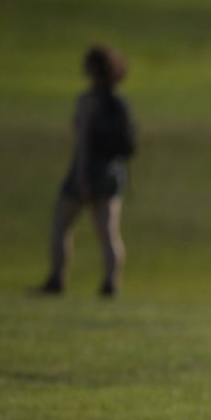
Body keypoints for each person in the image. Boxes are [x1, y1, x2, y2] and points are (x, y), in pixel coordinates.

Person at [41, 44, 136, 298]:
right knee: (108, 232)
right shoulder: (119, 101)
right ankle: (111, 283)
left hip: (88, 169)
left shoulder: (88, 101)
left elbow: (83, 143)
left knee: (61, 225)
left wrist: (82, 176)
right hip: (113, 173)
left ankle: (57, 279)